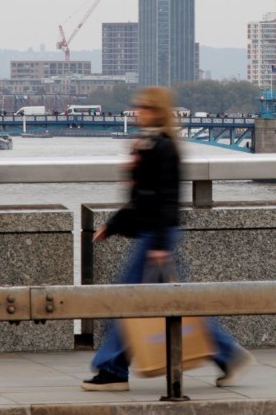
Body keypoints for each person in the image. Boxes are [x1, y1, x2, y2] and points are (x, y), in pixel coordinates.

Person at [82, 86, 253, 392]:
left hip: (156, 236)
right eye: (137, 106)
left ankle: (113, 369)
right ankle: (226, 354)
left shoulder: (164, 147)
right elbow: (141, 196)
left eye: (144, 107)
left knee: (128, 300)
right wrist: (113, 224)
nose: (138, 111)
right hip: (155, 233)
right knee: (179, 302)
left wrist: (160, 245)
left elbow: (165, 199)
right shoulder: (149, 144)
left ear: (158, 111)